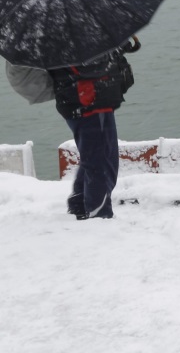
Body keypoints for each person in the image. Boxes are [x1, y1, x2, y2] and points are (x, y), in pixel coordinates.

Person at [50, 37, 140, 219]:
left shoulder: (59, 34)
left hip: (81, 101)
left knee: (93, 156)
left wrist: (117, 45)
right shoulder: (74, 36)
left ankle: (79, 203)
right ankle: (98, 214)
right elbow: (92, 66)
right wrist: (114, 46)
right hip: (88, 102)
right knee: (101, 161)